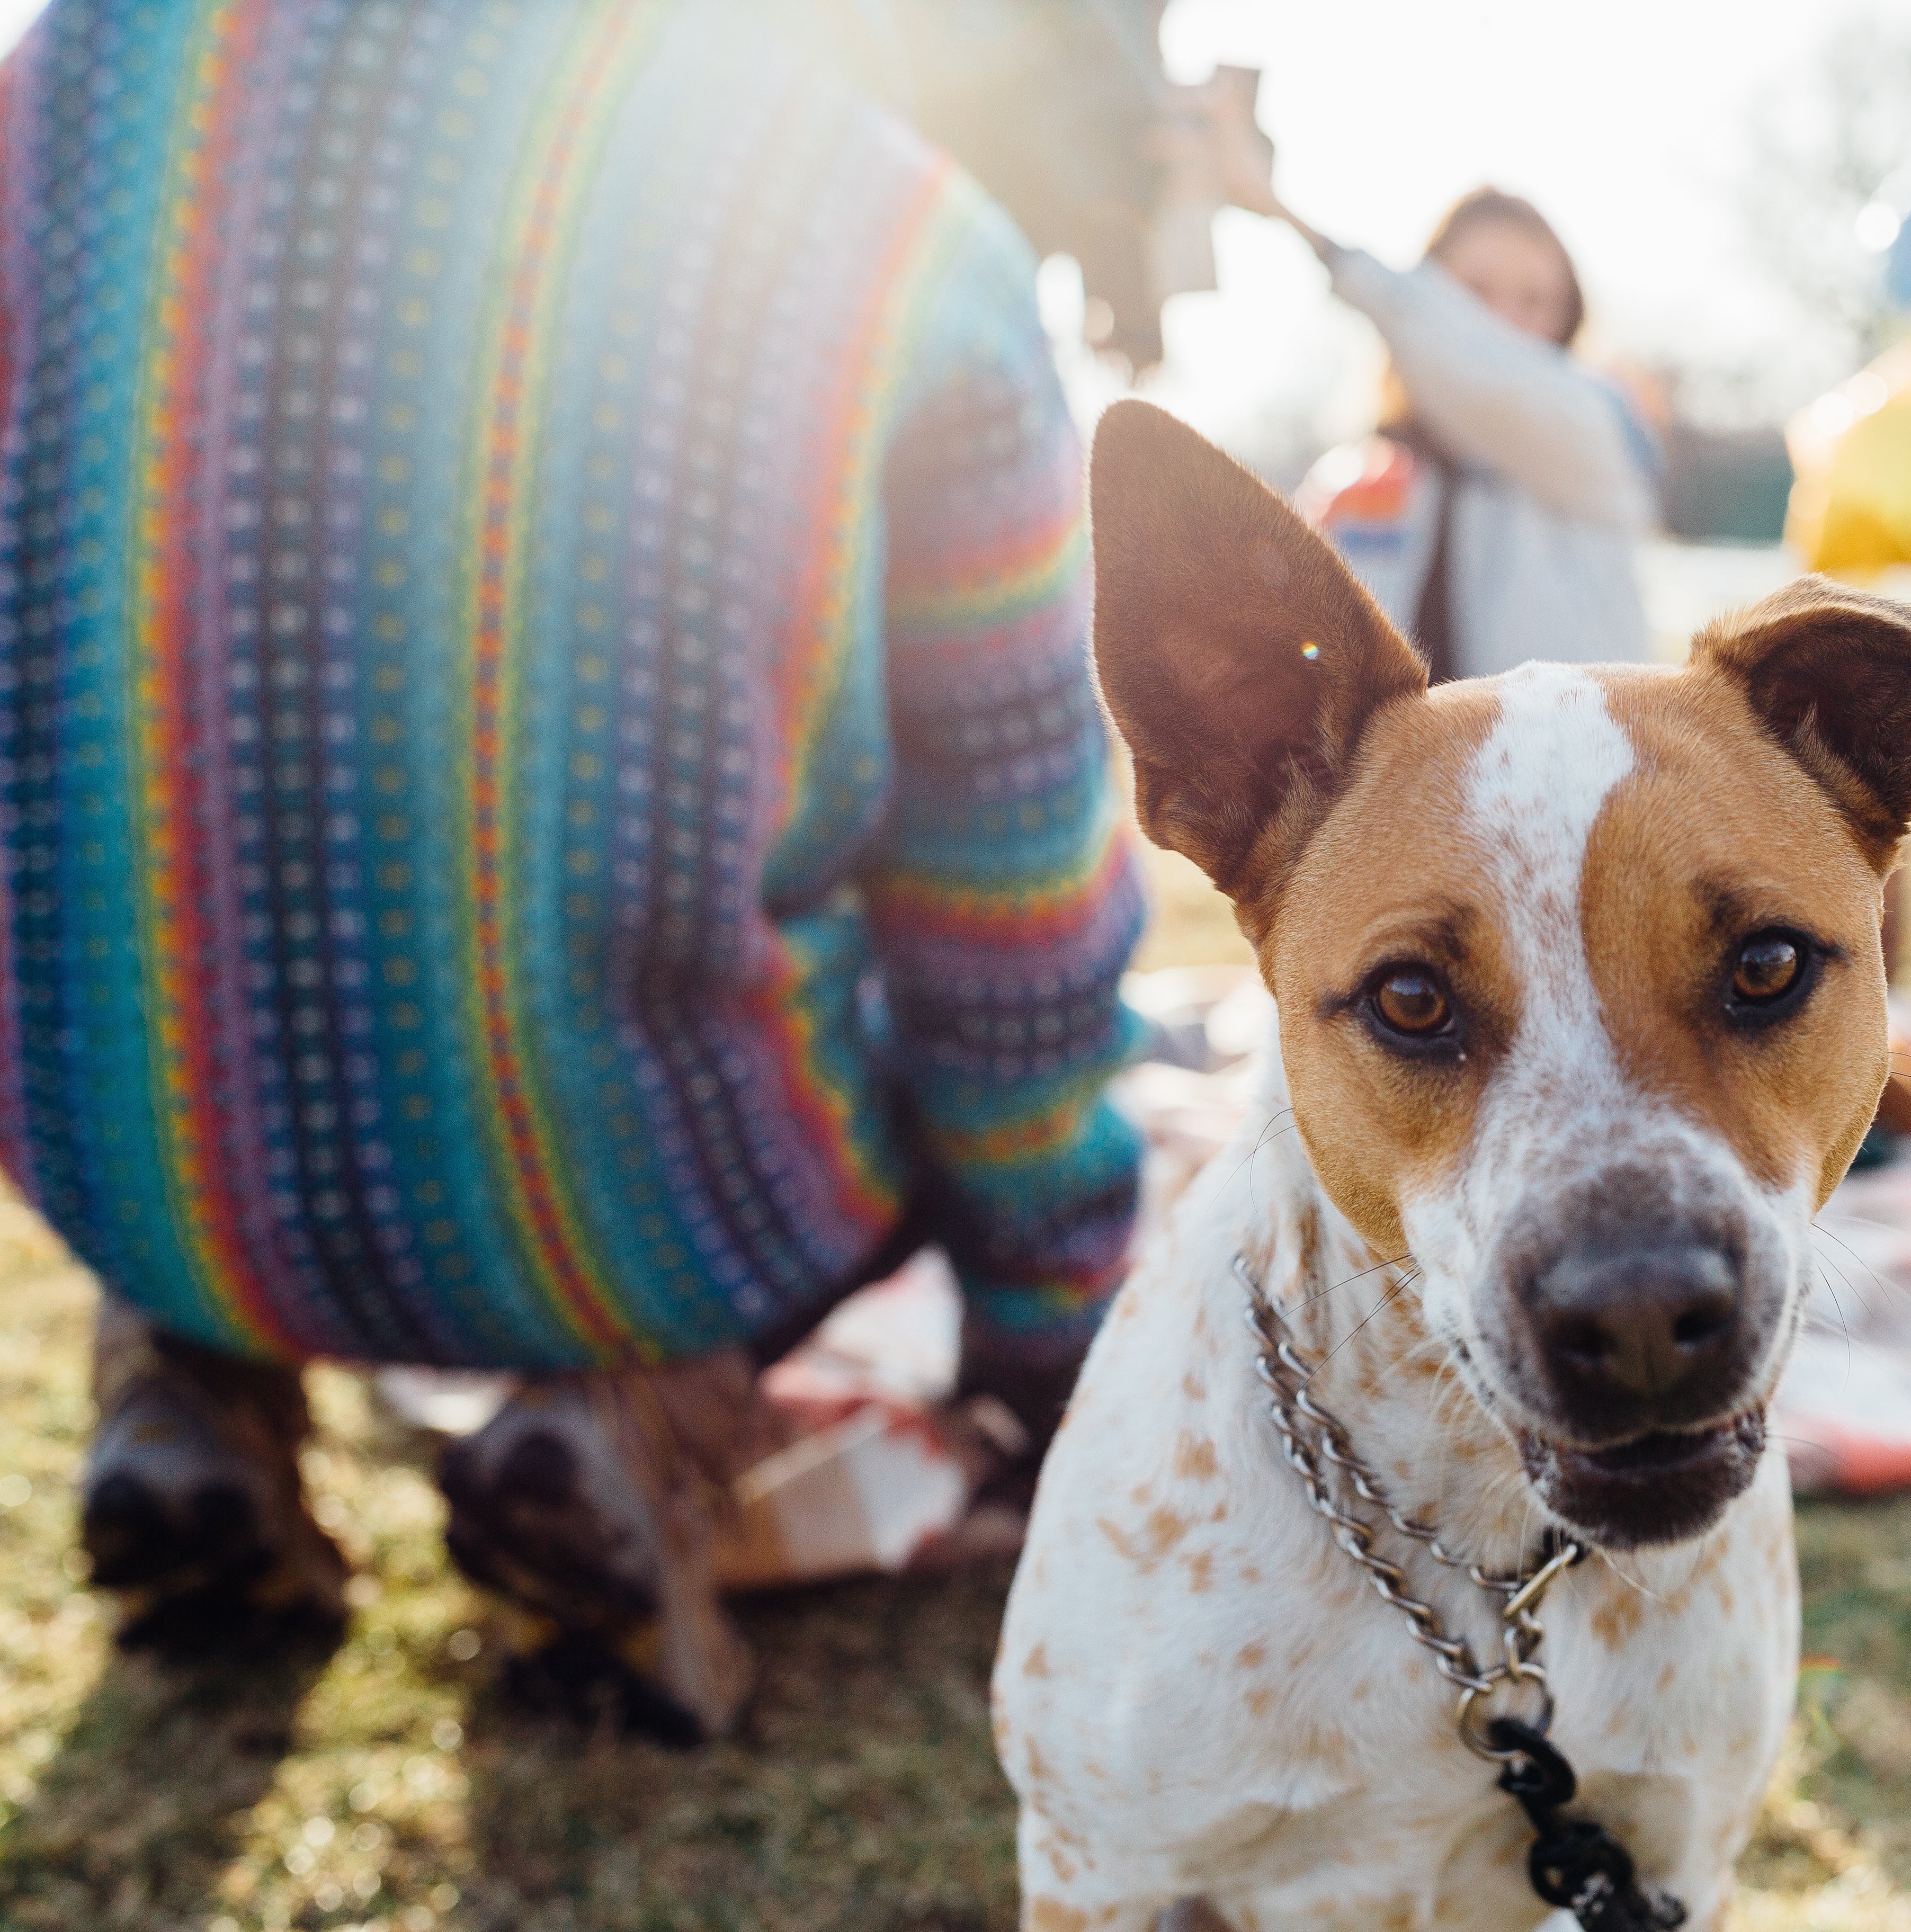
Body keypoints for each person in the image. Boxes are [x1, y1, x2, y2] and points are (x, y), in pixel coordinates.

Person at [1, 0, 1166, 1743]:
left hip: (133, 1151)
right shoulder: (868, 215)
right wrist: (1046, 1304)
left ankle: (186, 1392)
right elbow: (1007, 900)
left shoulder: (62, 102)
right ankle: (626, 1413)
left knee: (202, 888)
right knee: (850, 1042)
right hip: (634, 1196)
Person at [1219, 151, 1660, 678]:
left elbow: (1482, 372)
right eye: (1473, 294)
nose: (1500, 325)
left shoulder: (1596, 431)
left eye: (1536, 299)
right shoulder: (1355, 479)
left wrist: (1290, 219)